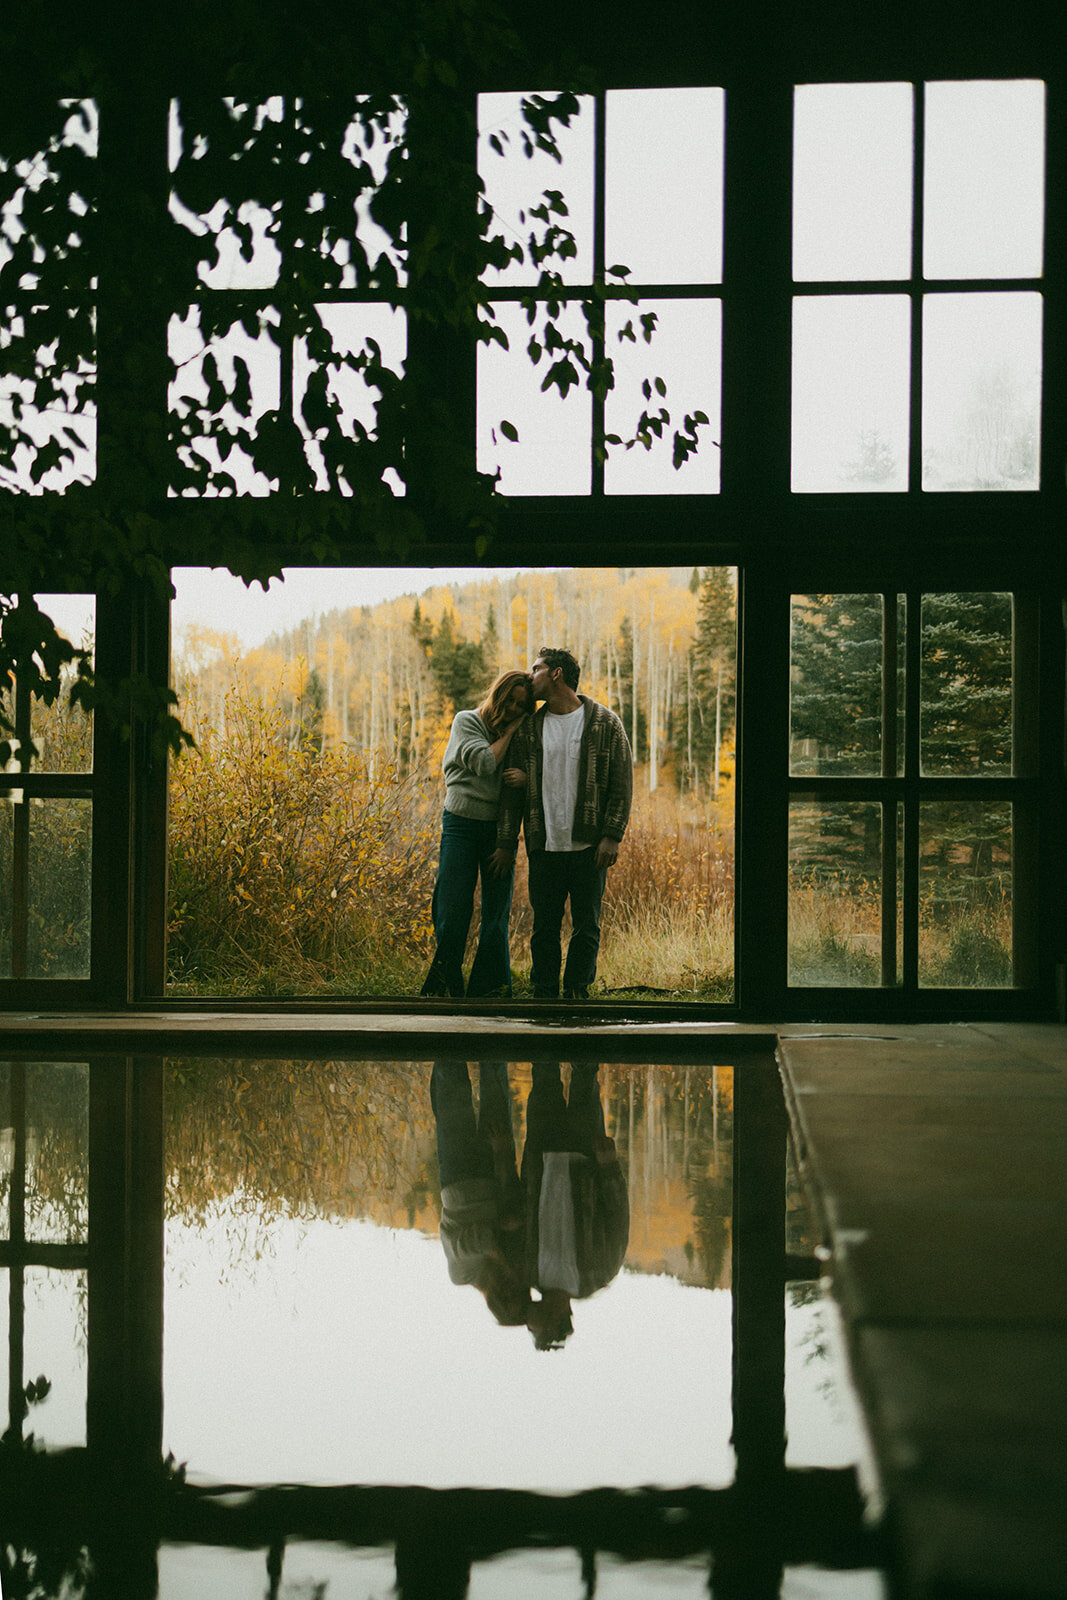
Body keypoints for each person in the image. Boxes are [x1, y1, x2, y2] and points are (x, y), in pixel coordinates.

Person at [491, 646, 632, 1000]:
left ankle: (577, 991)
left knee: (587, 925)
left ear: (556, 674)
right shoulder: (529, 729)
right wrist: (506, 843)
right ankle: (544, 993)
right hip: (544, 845)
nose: (529, 675)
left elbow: (621, 782)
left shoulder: (604, 722)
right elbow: (510, 792)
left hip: (589, 847)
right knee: (544, 928)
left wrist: (612, 835)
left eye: (535, 669)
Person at [421, 670, 532, 998]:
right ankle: (444, 985)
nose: (512, 708)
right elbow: (484, 762)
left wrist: (507, 842)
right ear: (498, 693)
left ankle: (490, 990)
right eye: (509, 699)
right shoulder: (466, 721)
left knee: (496, 915)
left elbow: (524, 783)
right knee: (452, 910)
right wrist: (511, 731)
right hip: (460, 826)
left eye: (520, 705)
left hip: (499, 832)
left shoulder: (523, 735)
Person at [521, 1061, 629, 1350]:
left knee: (543, 1075)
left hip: (540, 1152)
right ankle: (585, 1023)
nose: (529, 1326)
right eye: (535, 1331)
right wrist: (609, 1168)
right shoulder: (599, 1274)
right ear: (556, 1320)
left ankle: (542, 1019)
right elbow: (618, 1219)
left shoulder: (527, 1271)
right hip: (587, 1154)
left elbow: (520, 1210)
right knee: (585, 1077)